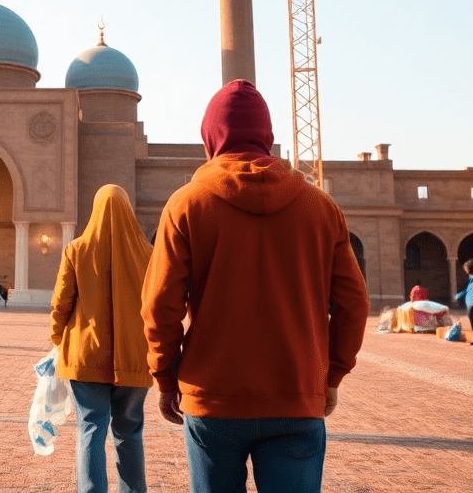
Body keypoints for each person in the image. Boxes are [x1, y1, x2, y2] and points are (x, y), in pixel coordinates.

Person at [142, 80, 369, 493]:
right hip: (296, 395)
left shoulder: (187, 204)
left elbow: (160, 306)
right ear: (267, 136)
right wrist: (331, 375)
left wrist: (165, 376)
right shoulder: (320, 208)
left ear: (210, 137)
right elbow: (354, 303)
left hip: (213, 399)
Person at [50, 184, 153, 493]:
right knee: (129, 431)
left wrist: (59, 339)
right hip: (134, 359)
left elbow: (61, 303)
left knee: (91, 429)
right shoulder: (149, 255)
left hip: (87, 356)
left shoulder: (77, 250)